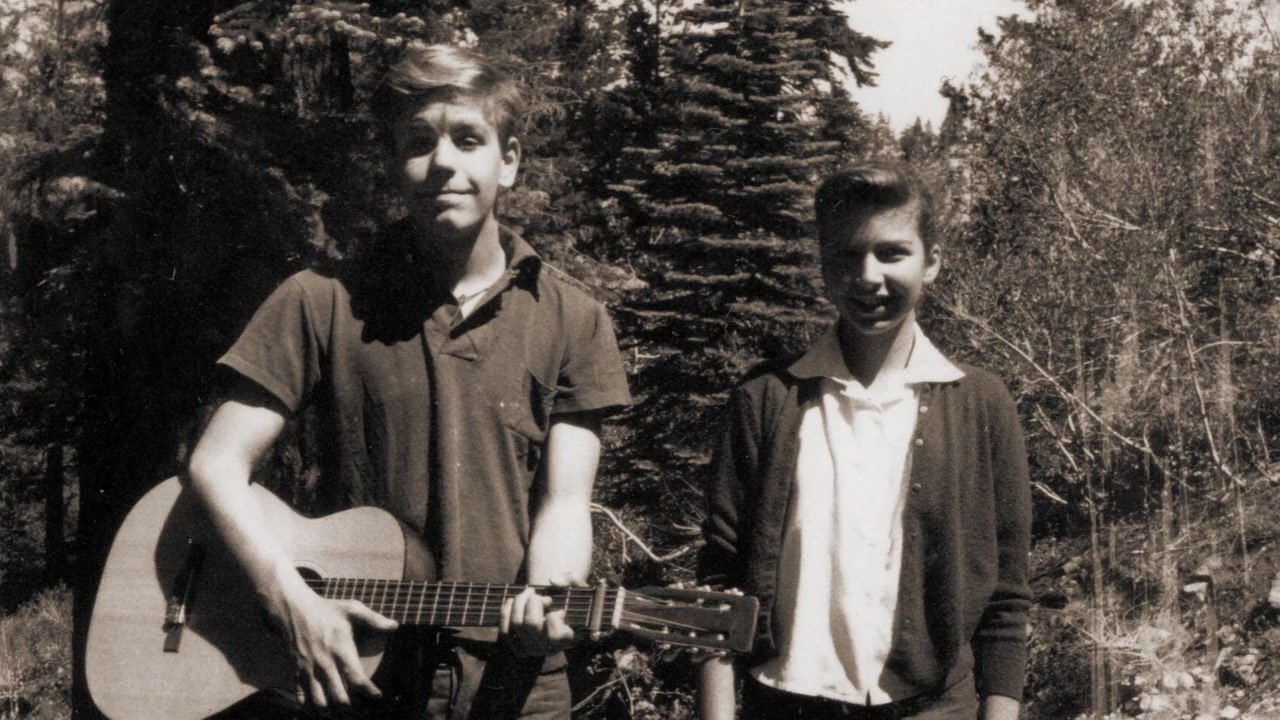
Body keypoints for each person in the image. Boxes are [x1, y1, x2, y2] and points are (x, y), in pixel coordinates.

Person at [186, 44, 631, 719]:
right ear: (394, 162)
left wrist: (549, 596)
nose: (442, 161)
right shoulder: (321, 300)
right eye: (419, 142)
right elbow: (216, 463)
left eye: (468, 139)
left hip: (516, 689)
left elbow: (565, 502)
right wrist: (290, 600)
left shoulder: (574, 318)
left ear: (509, 160)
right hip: (355, 674)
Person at [696, 161, 1031, 720]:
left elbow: (1006, 598)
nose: (868, 276)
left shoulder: (981, 404)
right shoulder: (766, 398)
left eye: (892, 253)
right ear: (823, 267)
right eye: (847, 256)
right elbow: (718, 582)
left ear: (932, 261)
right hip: (784, 707)